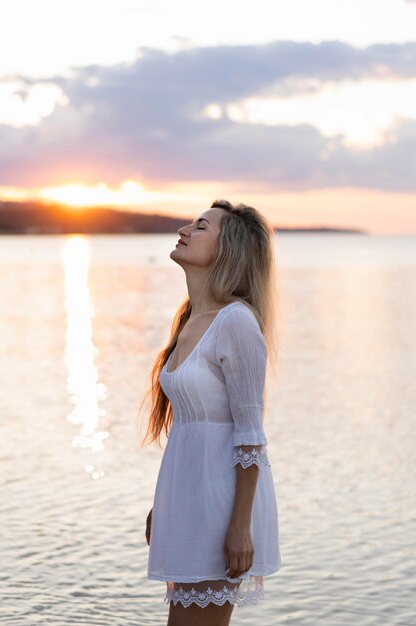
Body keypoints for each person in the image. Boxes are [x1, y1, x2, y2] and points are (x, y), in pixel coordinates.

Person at [139, 198, 282, 626]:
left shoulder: (235, 322)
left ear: (228, 250)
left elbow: (250, 436)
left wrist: (240, 528)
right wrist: (160, 507)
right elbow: (187, 429)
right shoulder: (188, 320)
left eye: (200, 226)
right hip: (186, 498)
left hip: (222, 504)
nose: (184, 229)